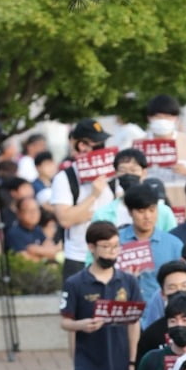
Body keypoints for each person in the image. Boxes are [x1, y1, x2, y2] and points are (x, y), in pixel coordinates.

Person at [60, 221, 142, 370]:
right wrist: (82, 325)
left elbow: (134, 323)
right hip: (88, 365)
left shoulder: (128, 281)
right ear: (91, 247)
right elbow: (65, 321)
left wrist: (132, 362)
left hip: (120, 365)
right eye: (105, 247)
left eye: (115, 246)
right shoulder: (76, 283)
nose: (111, 252)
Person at [51, 118, 114, 282]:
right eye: (87, 143)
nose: (93, 149)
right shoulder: (65, 178)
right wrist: (93, 196)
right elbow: (65, 219)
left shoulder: (113, 175)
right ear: (76, 143)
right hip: (78, 256)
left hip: (110, 256)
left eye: (99, 144)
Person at [119, 183, 183, 308]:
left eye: (152, 210)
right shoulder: (116, 242)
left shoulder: (173, 244)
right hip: (124, 311)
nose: (147, 216)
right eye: (141, 211)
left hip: (160, 314)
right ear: (130, 212)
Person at [145, 94, 186, 212]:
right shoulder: (140, 144)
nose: (163, 121)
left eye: (168, 117)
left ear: (176, 118)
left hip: (184, 208)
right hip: (149, 210)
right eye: (159, 117)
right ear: (149, 118)